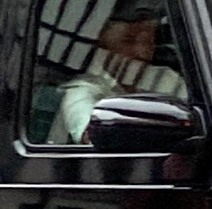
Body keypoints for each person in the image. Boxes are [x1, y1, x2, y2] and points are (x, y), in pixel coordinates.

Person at [54, 8, 164, 144]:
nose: (143, 52)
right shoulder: (82, 92)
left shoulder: (165, 81)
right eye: (128, 41)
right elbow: (93, 136)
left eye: (149, 42)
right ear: (102, 45)